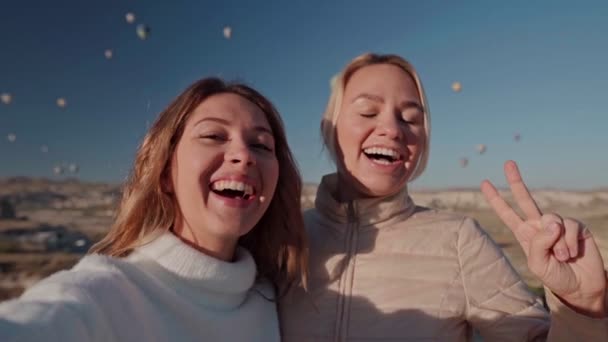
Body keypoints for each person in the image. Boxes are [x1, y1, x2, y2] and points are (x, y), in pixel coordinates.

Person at [279, 53, 608, 341]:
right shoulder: (283, 239)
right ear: (328, 128)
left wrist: (582, 309)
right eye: (367, 112)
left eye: (411, 118)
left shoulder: (459, 240)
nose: (393, 129)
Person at [0, 77, 308, 342]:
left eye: (262, 145)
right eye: (213, 136)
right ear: (164, 173)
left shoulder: (279, 298)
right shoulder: (107, 296)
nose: (243, 154)